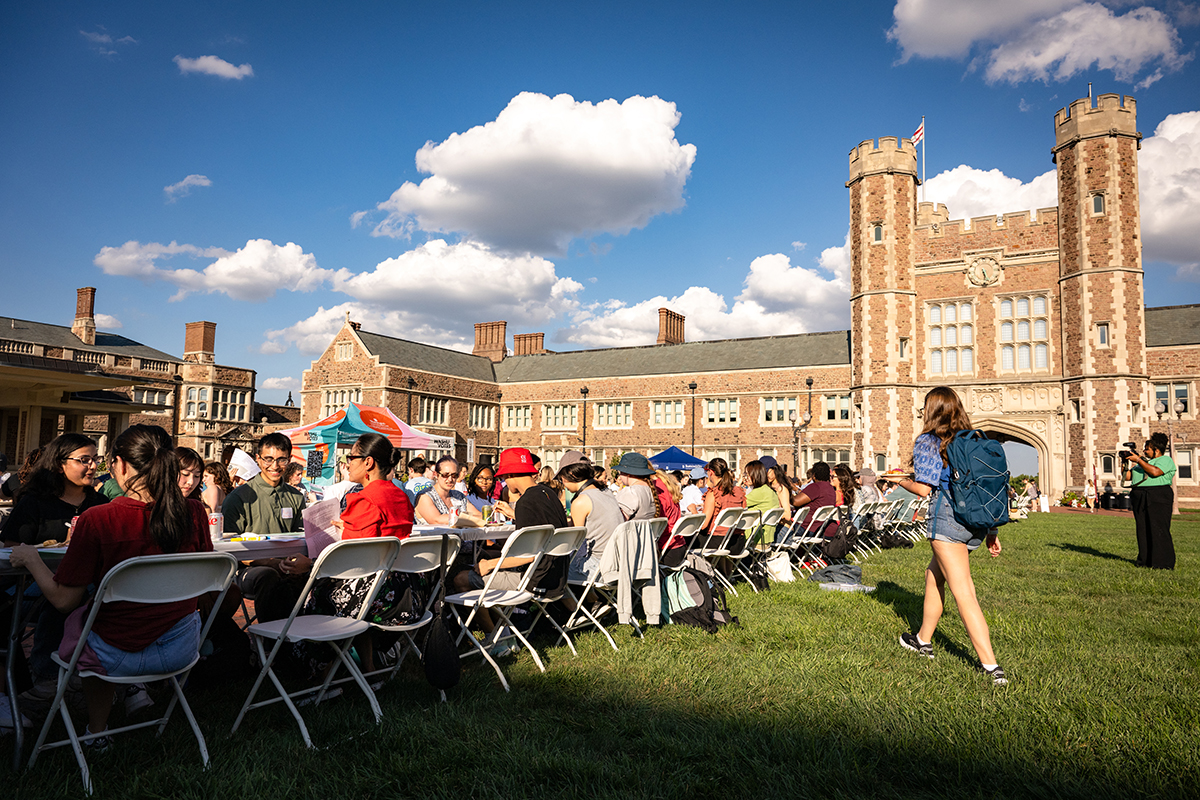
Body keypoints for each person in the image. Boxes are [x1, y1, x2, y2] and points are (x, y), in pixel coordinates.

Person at [8, 425, 213, 748]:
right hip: (181, 649)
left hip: (114, 656)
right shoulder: (195, 513)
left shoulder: (99, 518)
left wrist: (32, 559)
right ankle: (115, 713)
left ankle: (96, 731)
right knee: (102, 624)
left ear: (119, 465)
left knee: (91, 626)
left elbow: (64, 601)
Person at [882, 386, 1007, 686]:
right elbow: (986, 486)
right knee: (933, 575)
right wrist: (992, 531)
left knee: (964, 593)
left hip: (948, 521)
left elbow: (925, 488)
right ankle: (922, 640)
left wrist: (899, 479)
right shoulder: (973, 439)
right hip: (976, 522)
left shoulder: (928, 441)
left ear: (932, 410)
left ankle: (991, 666)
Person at [279, 433, 416, 674]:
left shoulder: (364, 499)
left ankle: (320, 669)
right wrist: (350, 529)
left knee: (316, 592)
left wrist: (310, 567)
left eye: (351, 457)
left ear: (368, 463)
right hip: (405, 590)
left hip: (373, 595)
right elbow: (380, 539)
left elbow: (349, 562)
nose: (347, 462)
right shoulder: (401, 496)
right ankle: (367, 667)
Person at [454, 448, 568, 647]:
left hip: (535, 579)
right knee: (490, 569)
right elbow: (544, 527)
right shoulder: (548, 494)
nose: (505, 482)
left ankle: (497, 639)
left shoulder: (526, 502)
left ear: (512, 474)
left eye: (505, 477)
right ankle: (504, 631)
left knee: (461, 579)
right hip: (557, 573)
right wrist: (515, 515)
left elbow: (529, 556)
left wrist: (489, 564)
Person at [222, 433, 307, 622]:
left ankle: (308, 639)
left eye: (281, 460)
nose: (275, 466)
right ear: (258, 459)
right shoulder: (238, 498)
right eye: (268, 459)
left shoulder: (296, 497)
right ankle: (270, 642)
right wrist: (269, 562)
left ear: (289, 460)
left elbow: (302, 538)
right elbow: (229, 549)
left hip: (287, 565)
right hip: (247, 569)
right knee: (268, 576)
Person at [557, 454, 622, 581]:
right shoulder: (607, 492)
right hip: (619, 562)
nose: (563, 485)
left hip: (599, 567)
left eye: (561, 480)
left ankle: (573, 601)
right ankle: (591, 599)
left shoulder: (581, 501)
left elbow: (575, 541)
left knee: (555, 569)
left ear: (571, 475)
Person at [1124, 433, 1176, 569]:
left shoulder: (1166, 460)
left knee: (1158, 529)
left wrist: (1139, 460)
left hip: (1158, 495)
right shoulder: (1141, 463)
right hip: (1140, 495)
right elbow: (1128, 477)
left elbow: (1155, 472)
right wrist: (1125, 463)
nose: (1144, 451)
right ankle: (1144, 561)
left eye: (1147, 449)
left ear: (1156, 450)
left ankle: (1163, 563)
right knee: (1143, 529)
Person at [415, 456, 481, 525]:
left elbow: (479, 515)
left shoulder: (459, 496)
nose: (450, 479)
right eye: (445, 475)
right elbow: (437, 520)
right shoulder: (424, 496)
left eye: (454, 475)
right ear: (436, 474)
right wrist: (471, 518)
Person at [699, 458, 746, 546]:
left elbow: (703, 525)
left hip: (718, 541)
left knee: (684, 540)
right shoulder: (739, 491)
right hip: (737, 541)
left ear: (711, 473)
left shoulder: (713, 493)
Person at [743, 460, 781, 544]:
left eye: (748, 474)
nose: (746, 477)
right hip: (767, 537)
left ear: (756, 474)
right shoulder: (769, 490)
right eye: (745, 474)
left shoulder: (760, 492)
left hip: (755, 539)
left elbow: (737, 504)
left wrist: (738, 485)